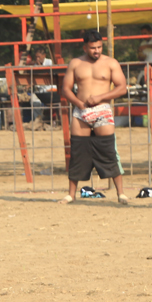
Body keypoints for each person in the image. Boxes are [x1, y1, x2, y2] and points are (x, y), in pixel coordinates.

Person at [59, 30, 129, 205]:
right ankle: (71, 194)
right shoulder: (76, 63)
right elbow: (66, 89)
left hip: (102, 110)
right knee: (77, 152)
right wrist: (78, 103)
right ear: (85, 47)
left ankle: (121, 193)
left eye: (99, 47)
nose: (96, 51)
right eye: (92, 48)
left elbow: (122, 87)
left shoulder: (111, 63)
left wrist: (100, 98)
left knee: (108, 151)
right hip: (80, 112)